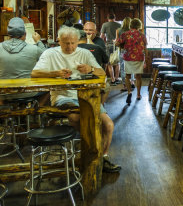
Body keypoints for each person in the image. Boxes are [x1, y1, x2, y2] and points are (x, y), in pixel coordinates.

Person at [31, 26, 121, 173]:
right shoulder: (50, 53)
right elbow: (34, 73)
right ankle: (92, 153)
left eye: (73, 43)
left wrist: (90, 69)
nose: (70, 47)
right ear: (59, 41)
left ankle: (102, 156)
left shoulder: (84, 53)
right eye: (66, 43)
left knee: (108, 125)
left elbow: (101, 73)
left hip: (86, 97)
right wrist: (56, 73)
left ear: (77, 41)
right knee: (77, 118)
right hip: (62, 96)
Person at [0, 17, 48, 104]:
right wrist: (38, 41)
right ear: (25, 34)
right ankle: (35, 113)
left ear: (8, 34)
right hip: (27, 92)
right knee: (48, 90)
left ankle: (5, 113)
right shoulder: (34, 49)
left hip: (3, 93)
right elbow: (47, 57)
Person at [116, 18, 147, 105]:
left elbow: (117, 43)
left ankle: (129, 92)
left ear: (130, 25)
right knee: (138, 77)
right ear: (139, 26)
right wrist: (145, 60)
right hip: (139, 57)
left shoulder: (125, 34)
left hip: (128, 57)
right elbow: (145, 48)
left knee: (127, 76)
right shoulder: (142, 35)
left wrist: (123, 44)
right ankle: (138, 94)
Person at [100, 14, 121, 86]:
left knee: (109, 63)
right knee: (117, 63)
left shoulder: (105, 25)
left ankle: (113, 80)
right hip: (118, 46)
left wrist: (101, 44)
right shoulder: (119, 25)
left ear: (107, 18)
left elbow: (102, 36)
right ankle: (117, 78)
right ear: (115, 18)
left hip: (108, 45)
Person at [115, 17, 131, 92]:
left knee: (122, 67)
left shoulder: (118, 30)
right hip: (131, 51)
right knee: (131, 66)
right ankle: (132, 82)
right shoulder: (132, 31)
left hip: (122, 50)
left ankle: (125, 85)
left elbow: (117, 42)